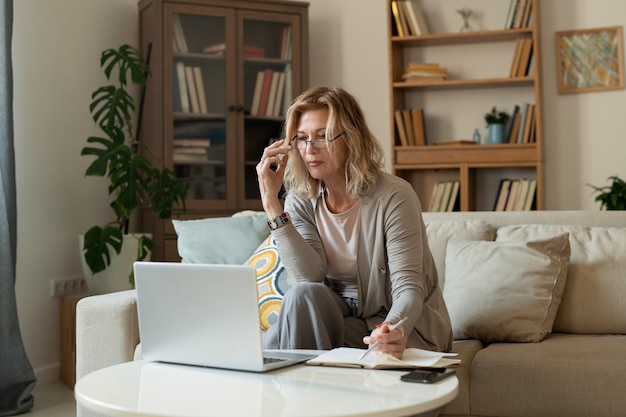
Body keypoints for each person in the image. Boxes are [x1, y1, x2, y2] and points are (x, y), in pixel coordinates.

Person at [256, 86, 452, 359]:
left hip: (394, 324)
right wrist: (270, 202)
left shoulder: (395, 196)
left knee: (275, 348)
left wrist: (390, 330)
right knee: (302, 296)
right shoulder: (300, 201)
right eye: (301, 139)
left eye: (322, 136)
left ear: (351, 137)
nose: (309, 149)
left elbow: (408, 288)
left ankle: (287, 385)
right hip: (340, 322)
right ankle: (296, 390)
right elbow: (308, 278)